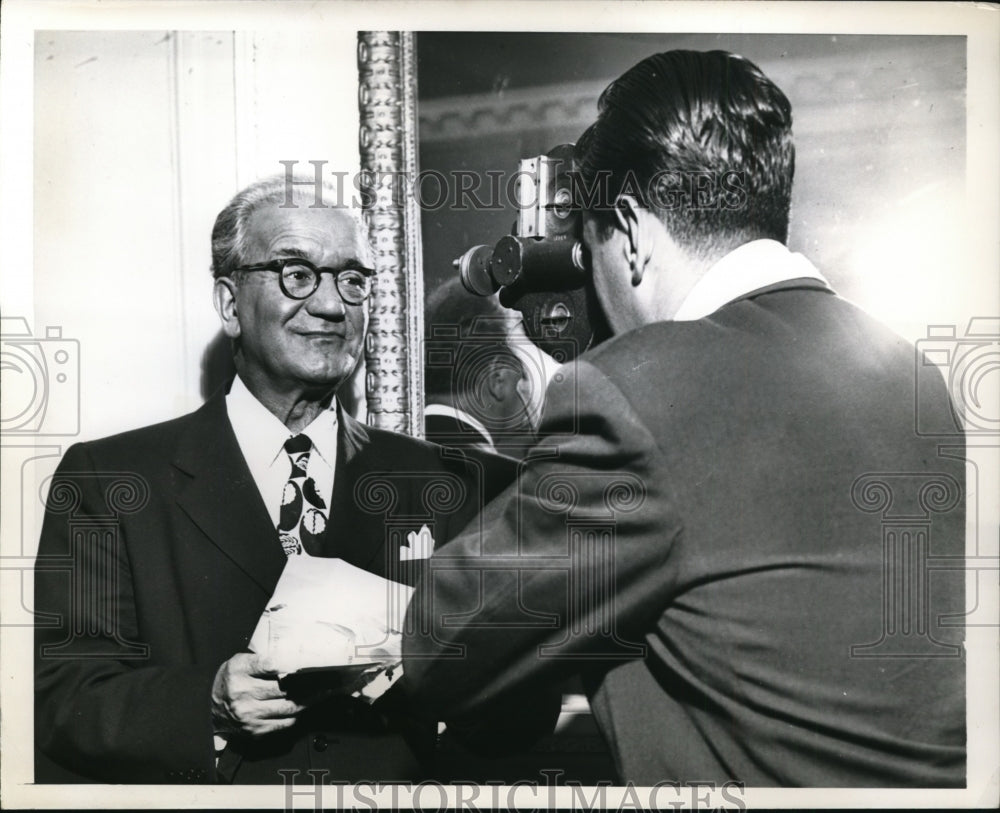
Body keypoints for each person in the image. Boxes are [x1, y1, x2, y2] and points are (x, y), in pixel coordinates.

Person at [402, 50, 966, 787]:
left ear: (631, 230)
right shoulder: (910, 373)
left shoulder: (638, 388)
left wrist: (612, 358)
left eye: (591, 245)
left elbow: (439, 648)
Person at [33, 176, 518, 784]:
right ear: (230, 304)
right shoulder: (110, 480)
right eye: (297, 274)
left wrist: (464, 677)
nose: (333, 305)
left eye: (352, 280)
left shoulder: (445, 481)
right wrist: (207, 703)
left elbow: (517, 714)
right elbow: (62, 698)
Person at [423, 278, 535, 456]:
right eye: (524, 377)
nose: (530, 395)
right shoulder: (506, 479)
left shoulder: (380, 452)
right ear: (498, 379)